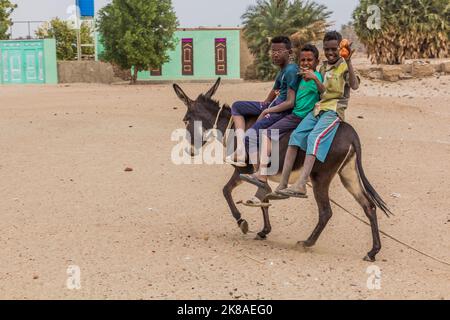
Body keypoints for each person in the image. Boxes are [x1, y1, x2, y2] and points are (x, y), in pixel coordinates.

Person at [276, 31, 360, 198]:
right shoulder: (322, 67)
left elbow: (354, 85)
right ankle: (283, 184)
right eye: (327, 49)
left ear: (340, 48)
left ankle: (301, 184)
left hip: (333, 110)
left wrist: (349, 61)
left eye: (334, 49)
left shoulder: (344, 66)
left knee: (314, 137)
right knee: (296, 137)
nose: (330, 53)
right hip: (318, 108)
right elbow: (321, 91)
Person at [239, 44, 324, 196]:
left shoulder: (316, 77)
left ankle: (262, 174)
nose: (305, 63)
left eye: (309, 60)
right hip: (294, 114)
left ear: (317, 62)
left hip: (300, 117)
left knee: (267, 134)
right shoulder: (300, 77)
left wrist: (315, 79)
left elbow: (323, 92)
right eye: (303, 60)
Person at [225, 36, 299, 167]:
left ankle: (259, 169)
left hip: (281, 110)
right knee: (237, 106)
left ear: (290, 52)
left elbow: (290, 102)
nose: (275, 54)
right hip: (272, 105)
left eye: (279, 51)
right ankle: (241, 148)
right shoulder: (283, 70)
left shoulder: (291, 70)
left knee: (251, 136)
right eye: (273, 51)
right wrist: (264, 105)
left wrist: (266, 110)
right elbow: (275, 90)